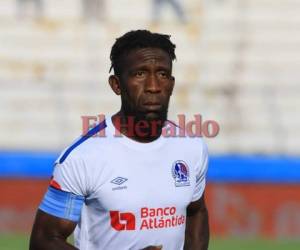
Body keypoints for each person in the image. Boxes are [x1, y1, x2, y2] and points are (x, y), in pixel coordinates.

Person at [29, 30, 209, 250]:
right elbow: (44, 241)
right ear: (116, 85)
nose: (153, 86)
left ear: (171, 84)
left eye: (162, 74)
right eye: (140, 74)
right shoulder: (83, 157)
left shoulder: (191, 147)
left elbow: (196, 211)